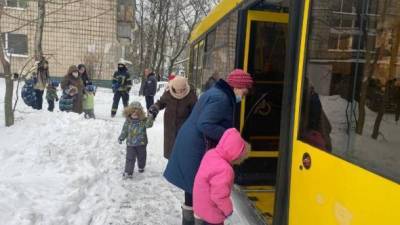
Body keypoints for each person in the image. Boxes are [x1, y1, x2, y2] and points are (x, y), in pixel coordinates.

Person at [163, 69, 253, 225]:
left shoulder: (217, 93)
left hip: (191, 143)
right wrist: (229, 137)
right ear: (237, 86)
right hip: (195, 147)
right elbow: (205, 124)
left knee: (192, 189)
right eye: (244, 92)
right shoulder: (222, 99)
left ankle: (190, 220)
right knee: (196, 190)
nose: (243, 96)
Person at [193, 128, 249, 225]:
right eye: (241, 159)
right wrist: (229, 210)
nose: (240, 162)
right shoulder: (225, 170)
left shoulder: (211, 153)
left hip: (200, 206)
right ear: (236, 156)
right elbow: (219, 196)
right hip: (211, 214)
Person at [148, 76, 197, 159]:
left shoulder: (190, 95)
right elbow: (161, 103)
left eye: (182, 89)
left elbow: (196, 110)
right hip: (170, 124)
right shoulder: (168, 93)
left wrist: (194, 123)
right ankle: (171, 165)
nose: (180, 91)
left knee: (182, 149)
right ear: (173, 87)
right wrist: (155, 108)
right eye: (178, 89)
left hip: (184, 125)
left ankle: (181, 165)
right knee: (170, 147)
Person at [118, 101, 155, 179]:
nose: (134, 114)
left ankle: (141, 166)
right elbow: (124, 130)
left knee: (142, 157)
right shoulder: (128, 122)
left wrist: (150, 117)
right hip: (130, 144)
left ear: (140, 113)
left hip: (141, 143)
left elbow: (149, 125)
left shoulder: (143, 121)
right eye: (132, 112)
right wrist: (121, 137)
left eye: (137, 112)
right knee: (130, 158)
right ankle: (128, 172)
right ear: (129, 112)